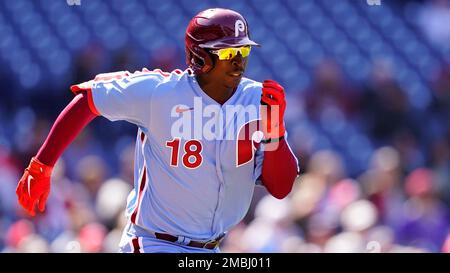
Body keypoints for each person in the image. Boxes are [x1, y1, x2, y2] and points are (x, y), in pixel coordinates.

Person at [15, 8, 299, 253]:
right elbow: (88, 100)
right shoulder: (159, 92)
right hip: (155, 242)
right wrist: (42, 165)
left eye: (243, 50)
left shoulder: (258, 99)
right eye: (227, 52)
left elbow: (281, 187)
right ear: (199, 56)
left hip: (213, 246)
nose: (238, 60)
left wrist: (275, 129)